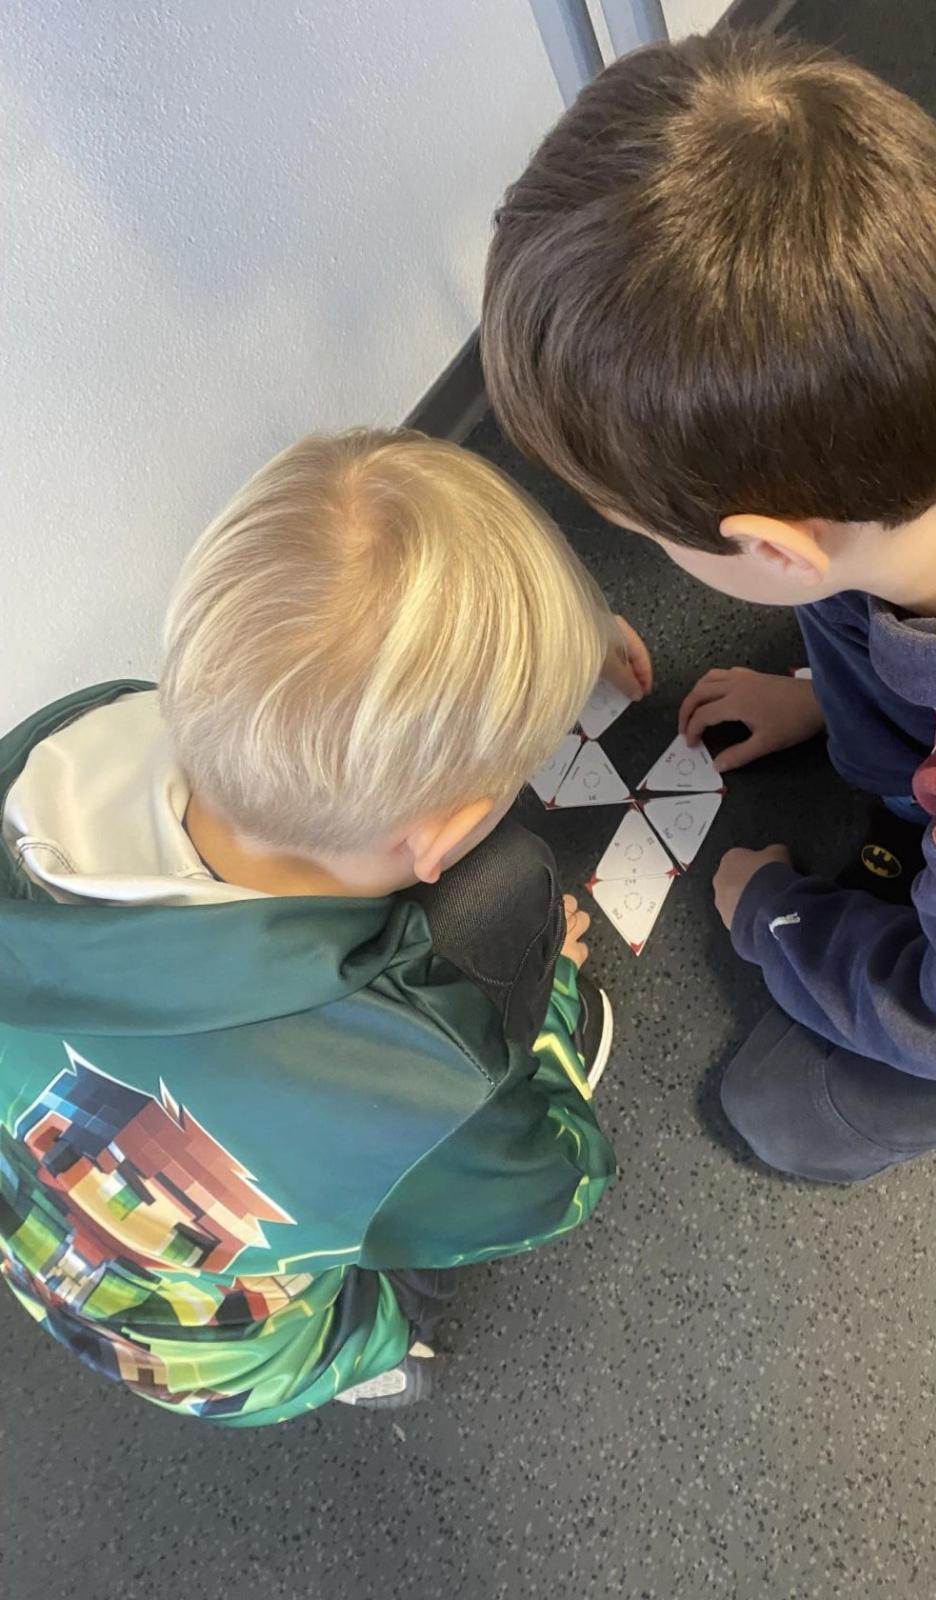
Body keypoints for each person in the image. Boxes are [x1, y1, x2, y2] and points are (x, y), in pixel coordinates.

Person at [480, 31, 936, 1182]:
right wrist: (825, 689)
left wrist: (774, 912)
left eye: (644, 534)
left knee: (786, 1106)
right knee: (858, 591)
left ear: (771, 546)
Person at [0, 428, 652, 1423]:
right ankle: (373, 1359)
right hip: (228, 1359)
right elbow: (550, 1185)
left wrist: (553, 648)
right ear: (445, 833)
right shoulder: (402, 1066)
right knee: (387, 1259)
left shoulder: (51, 754)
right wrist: (548, 1003)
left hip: (40, 1241)